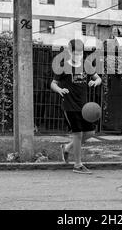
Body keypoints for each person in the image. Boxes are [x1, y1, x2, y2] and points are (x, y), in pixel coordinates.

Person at [51, 39, 102, 174]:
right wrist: (59, 90)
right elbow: (53, 83)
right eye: (75, 53)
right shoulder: (63, 67)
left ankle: (66, 148)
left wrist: (96, 82)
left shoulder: (86, 65)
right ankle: (78, 165)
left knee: (90, 133)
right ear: (69, 51)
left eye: (80, 53)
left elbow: (98, 78)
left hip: (84, 107)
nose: (78, 55)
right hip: (70, 105)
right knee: (78, 134)